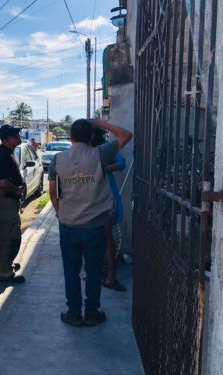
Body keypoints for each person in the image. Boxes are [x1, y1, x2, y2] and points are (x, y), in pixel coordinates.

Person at [48, 118, 132, 327]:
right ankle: (92, 313)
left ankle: (74, 313)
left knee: (71, 270)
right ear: (91, 136)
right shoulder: (100, 154)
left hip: (69, 225)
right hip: (95, 225)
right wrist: (100, 122)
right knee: (93, 270)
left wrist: (60, 212)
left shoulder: (58, 159)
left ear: (71, 137)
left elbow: (52, 190)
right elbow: (126, 135)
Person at [91, 128, 127, 292]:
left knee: (107, 238)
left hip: (106, 199)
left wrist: (103, 168)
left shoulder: (106, 147)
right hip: (91, 200)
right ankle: (97, 272)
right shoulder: (86, 149)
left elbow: (121, 163)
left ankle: (111, 275)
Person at [0, 125, 26, 284]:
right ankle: (4, 272)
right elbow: (3, 182)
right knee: (7, 236)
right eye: (15, 134)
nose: (18, 136)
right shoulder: (3, 155)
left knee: (9, 234)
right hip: (4, 199)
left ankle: (5, 265)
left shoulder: (8, 152)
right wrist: (17, 190)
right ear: (6, 139)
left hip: (8, 199)